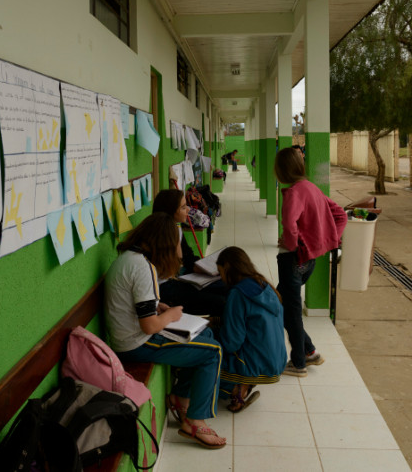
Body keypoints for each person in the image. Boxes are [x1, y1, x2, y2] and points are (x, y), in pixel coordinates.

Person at [104, 213, 227, 449]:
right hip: (137, 344)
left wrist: (157, 306)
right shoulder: (142, 267)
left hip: (129, 337)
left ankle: (181, 396)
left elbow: (134, 303)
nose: (178, 252)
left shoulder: (130, 258)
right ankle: (195, 421)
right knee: (213, 352)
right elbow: (149, 325)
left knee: (207, 335)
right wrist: (170, 316)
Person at [275, 146, 347, 377]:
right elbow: (340, 215)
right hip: (309, 261)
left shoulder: (294, 193)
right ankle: (309, 351)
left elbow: (290, 225)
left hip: (293, 261)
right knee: (280, 304)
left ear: (281, 170)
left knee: (290, 312)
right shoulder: (312, 188)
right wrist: (323, 240)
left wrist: (294, 244)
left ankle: (298, 363)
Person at [214, 247, 286, 413]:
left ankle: (235, 390)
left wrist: (213, 332)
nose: (221, 278)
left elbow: (232, 343)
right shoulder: (265, 286)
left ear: (227, 268)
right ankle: (243, 384)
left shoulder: (237, 294)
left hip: (254, 363)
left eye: (220, 272)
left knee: (207, 354)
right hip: (275, 361)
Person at [151, 189, 230, 316]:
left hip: (178, 280)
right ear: (170, 211)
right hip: (163, 289)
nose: (188, 210)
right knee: (220, 302)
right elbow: (178, 261)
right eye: (183, 207)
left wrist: (209, 269)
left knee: (227, 286)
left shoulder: (177, 228)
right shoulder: (158, 235)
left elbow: (188, 258)